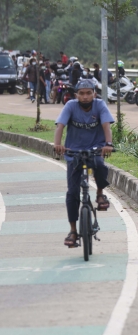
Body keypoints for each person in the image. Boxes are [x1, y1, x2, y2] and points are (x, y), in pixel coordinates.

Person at [54, 79, 113, 248]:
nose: (85, 97)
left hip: (95, 149)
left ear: (94, 94)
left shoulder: (100, 105)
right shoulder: (71, 106)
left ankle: (100, 194)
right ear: (76, 95)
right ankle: (73, 231)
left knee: (100, 166)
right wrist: (58, 145)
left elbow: (106, 125)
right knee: (72, 193)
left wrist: (108, 144)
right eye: (82, 93)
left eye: (89, 93)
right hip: (74, 152)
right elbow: (60, 126)